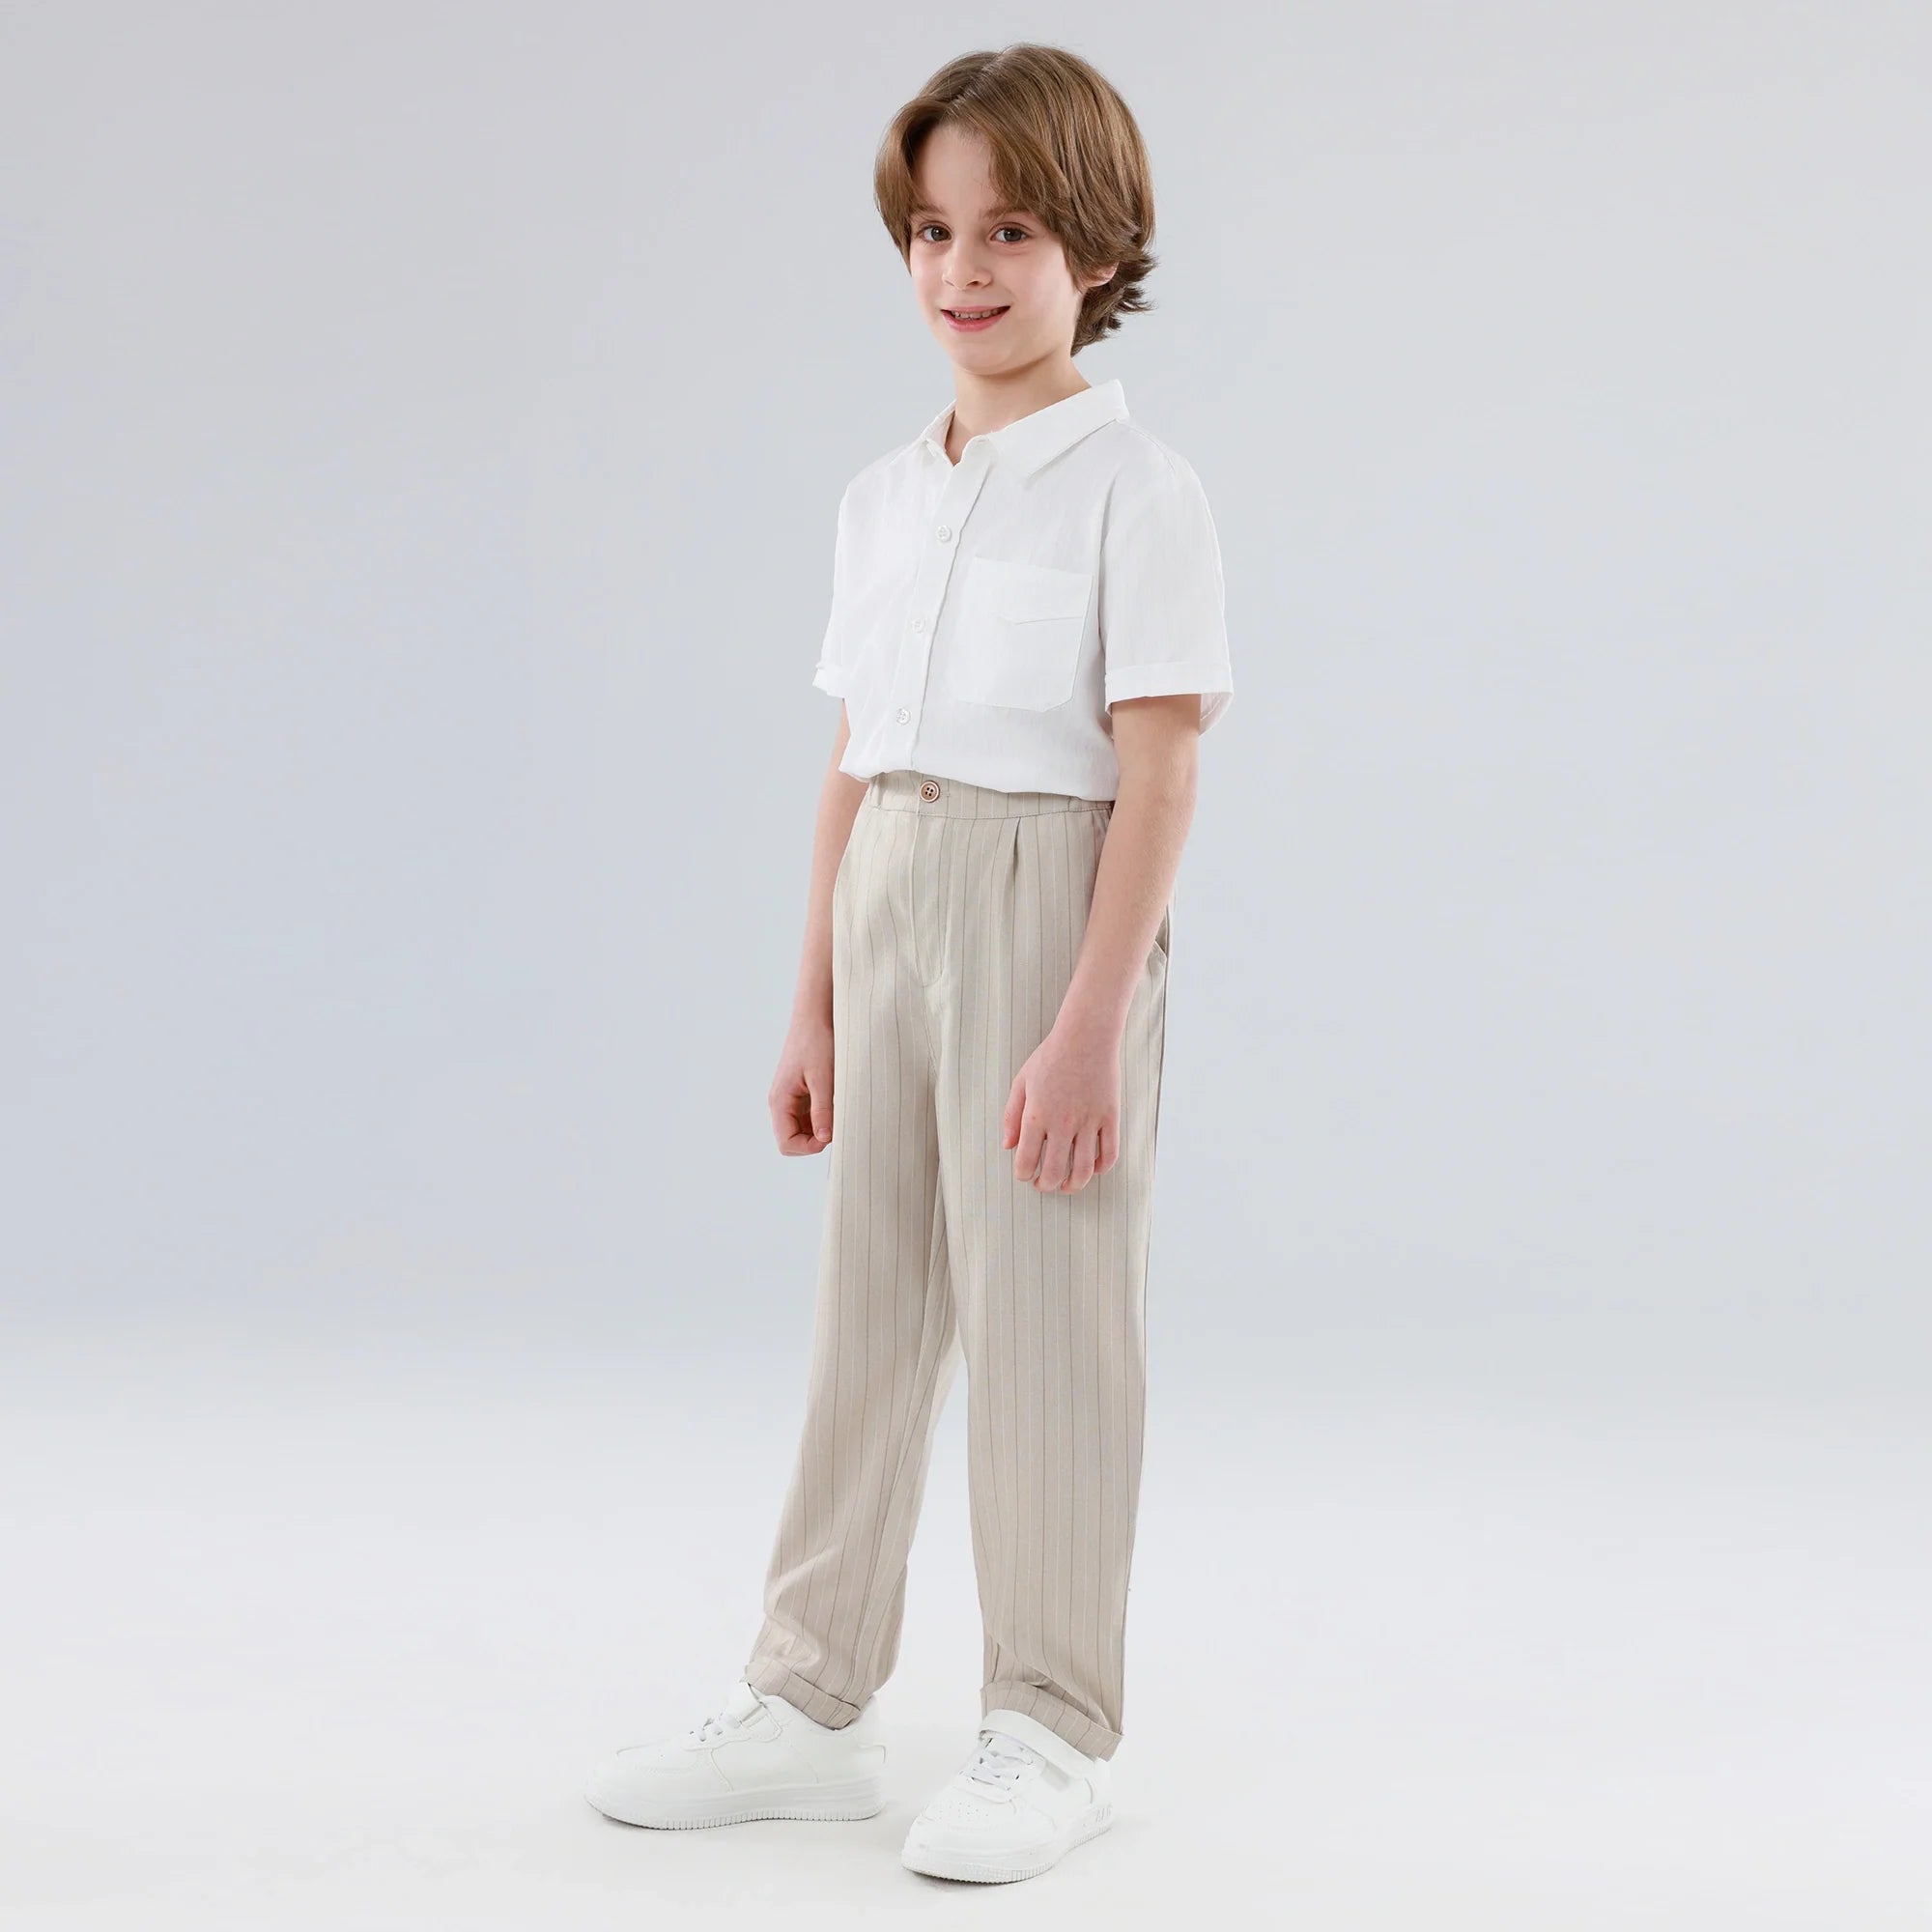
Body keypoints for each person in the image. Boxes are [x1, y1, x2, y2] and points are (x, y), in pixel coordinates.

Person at [583, 42, 1234, 1886]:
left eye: (1010, 229)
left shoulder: (1138, 493)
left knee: (1047, 1322)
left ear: (1094, 248)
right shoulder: (883, 495)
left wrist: (1090, 1026)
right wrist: (811, 998)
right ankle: (809, 1700)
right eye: (934, 231)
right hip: (889, 894)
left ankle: (1052, 1725)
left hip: (1047, 903)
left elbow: (1162, 770)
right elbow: (855, 758)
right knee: (867, 1310)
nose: (964, 268)